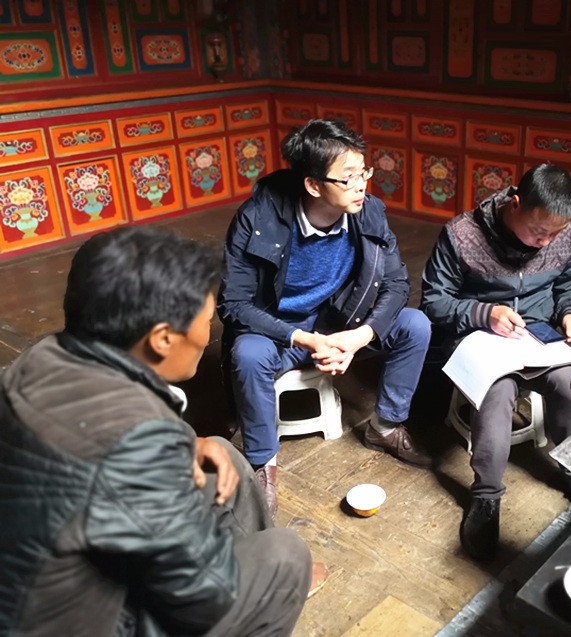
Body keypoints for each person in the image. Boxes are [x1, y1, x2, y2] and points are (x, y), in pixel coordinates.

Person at [0, 226, 315, 636]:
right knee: (286, 557)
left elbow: (99, 454)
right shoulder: (139, 442)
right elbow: (202, 599)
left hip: (38, 577)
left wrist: (184, 443)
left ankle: (256, 583)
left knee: (221, 455)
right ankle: (269, 591)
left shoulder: (39, 359)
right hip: (84, 621)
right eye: (206, 322)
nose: (208, 334)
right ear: (163, 339)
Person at [218, 119, 432, 517]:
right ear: (314, 185)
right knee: (248, 354)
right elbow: (234, 304)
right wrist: (304, 338)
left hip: (339, 321)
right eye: (348, 178)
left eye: (364, 172)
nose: (361, 185)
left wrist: (358, 336)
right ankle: (262, 462)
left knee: (415, 326)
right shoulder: (258, 218)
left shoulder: (368, 212)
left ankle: (385, 427)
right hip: (280, 331)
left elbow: (396, 283)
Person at [420, 164, 571, 561]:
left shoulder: (563, 234)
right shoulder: (462, 234)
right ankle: (486, 495)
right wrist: (485, 314)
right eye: (538, 231)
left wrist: (570, 311)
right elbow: (433, 301)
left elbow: (569, 285)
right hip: (478, 336)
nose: (545, 242)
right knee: (497, 392)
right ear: (515, 204)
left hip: (536, 337)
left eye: (554, 234)